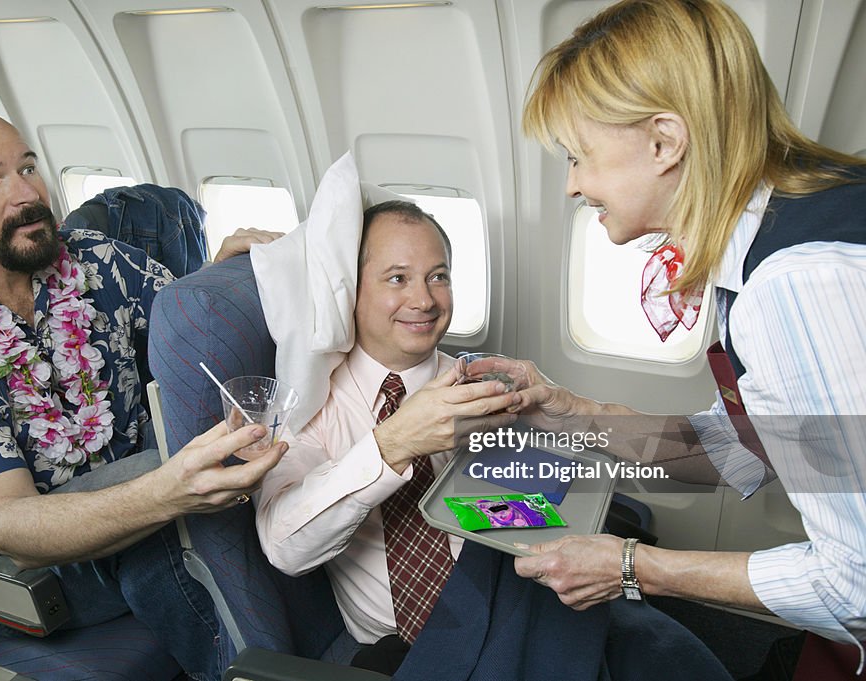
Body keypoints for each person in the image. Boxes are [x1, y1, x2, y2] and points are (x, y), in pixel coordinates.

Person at [0, 104, 283, 681]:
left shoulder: (92, 259)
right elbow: (10, 526)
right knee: (173, 530)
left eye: (28, 168)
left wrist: (218, 277)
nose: (27, 194)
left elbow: (181, 327)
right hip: (25, 571)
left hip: (141, 479)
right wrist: (169, 489)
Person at [507, 0, 866, 673]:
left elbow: (857, 586)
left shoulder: (796, 285)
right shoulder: (782, 227)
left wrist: (632, 567)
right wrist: (570, 413)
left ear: (665, 142)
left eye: (579, 156)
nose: (571, 185)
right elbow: (746, 448)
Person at [254, 200, 731, 679]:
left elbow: (519, 508)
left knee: (669, 659)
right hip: (424, 636)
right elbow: (285, 550)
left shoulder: (484, 384)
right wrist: (392, 443)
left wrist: (555, 448)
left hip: (518, 581)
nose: (424, 300)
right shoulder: (307, 404)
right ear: (352, 290)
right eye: (397, 278)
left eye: (438, 276)